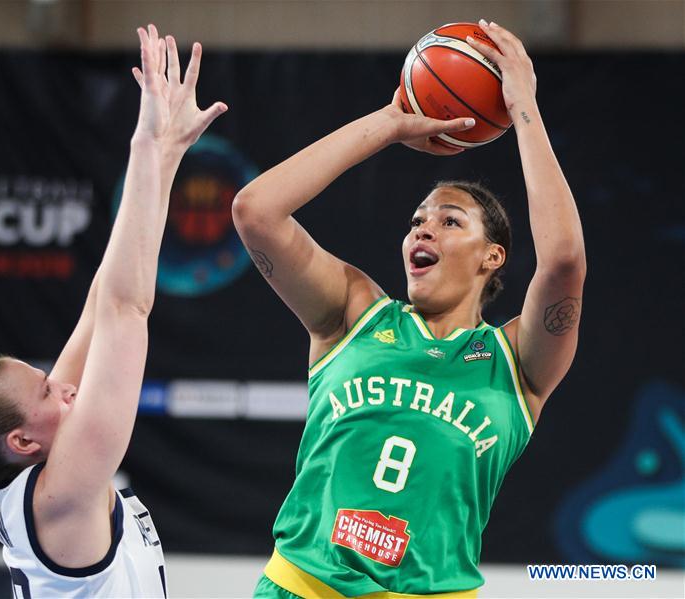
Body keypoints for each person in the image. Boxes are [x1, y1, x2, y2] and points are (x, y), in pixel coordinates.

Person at [0, 24, 227, 598]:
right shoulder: (61, 495)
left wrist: (167, 152)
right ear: (23, 441)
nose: (65, 386)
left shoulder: (40, 465)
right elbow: (127, 308)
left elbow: (105, 296)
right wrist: (143, 144)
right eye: (46, 391)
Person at [232, 20, 585, 598]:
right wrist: (389, 124)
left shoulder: (518, 360)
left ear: (492, 256)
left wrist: (524, 106)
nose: (425, 228)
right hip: (304, 585)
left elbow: (564, 260)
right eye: (418, 220)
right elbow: (255, 211)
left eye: (450, 221)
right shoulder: (354, 313)